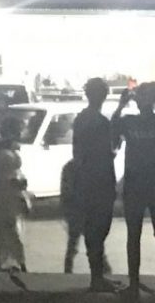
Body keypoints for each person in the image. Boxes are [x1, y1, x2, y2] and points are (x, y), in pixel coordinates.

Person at [68, 77, 118, 290]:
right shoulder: (100, 122)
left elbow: (79, 152)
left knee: (93, 229)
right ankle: (97, 278)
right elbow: (107, 152)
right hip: (100, 180)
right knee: (99, 228)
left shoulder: (81, 119)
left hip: (86, 179)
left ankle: (97, 276)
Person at [113, 81, 155, 298]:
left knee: (133, 236)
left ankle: (134, 284)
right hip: (151, 184)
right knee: (135, 236)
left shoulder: (129, 121)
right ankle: (134, 284)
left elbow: (112, 134)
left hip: (135, 184)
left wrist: (121, 104)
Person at [0, 116, 28, 273]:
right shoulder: (4, 151)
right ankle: (16, 262)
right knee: (11, 229)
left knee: (0, 230)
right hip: (6, 195)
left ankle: (2, 261)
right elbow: (8, 176)